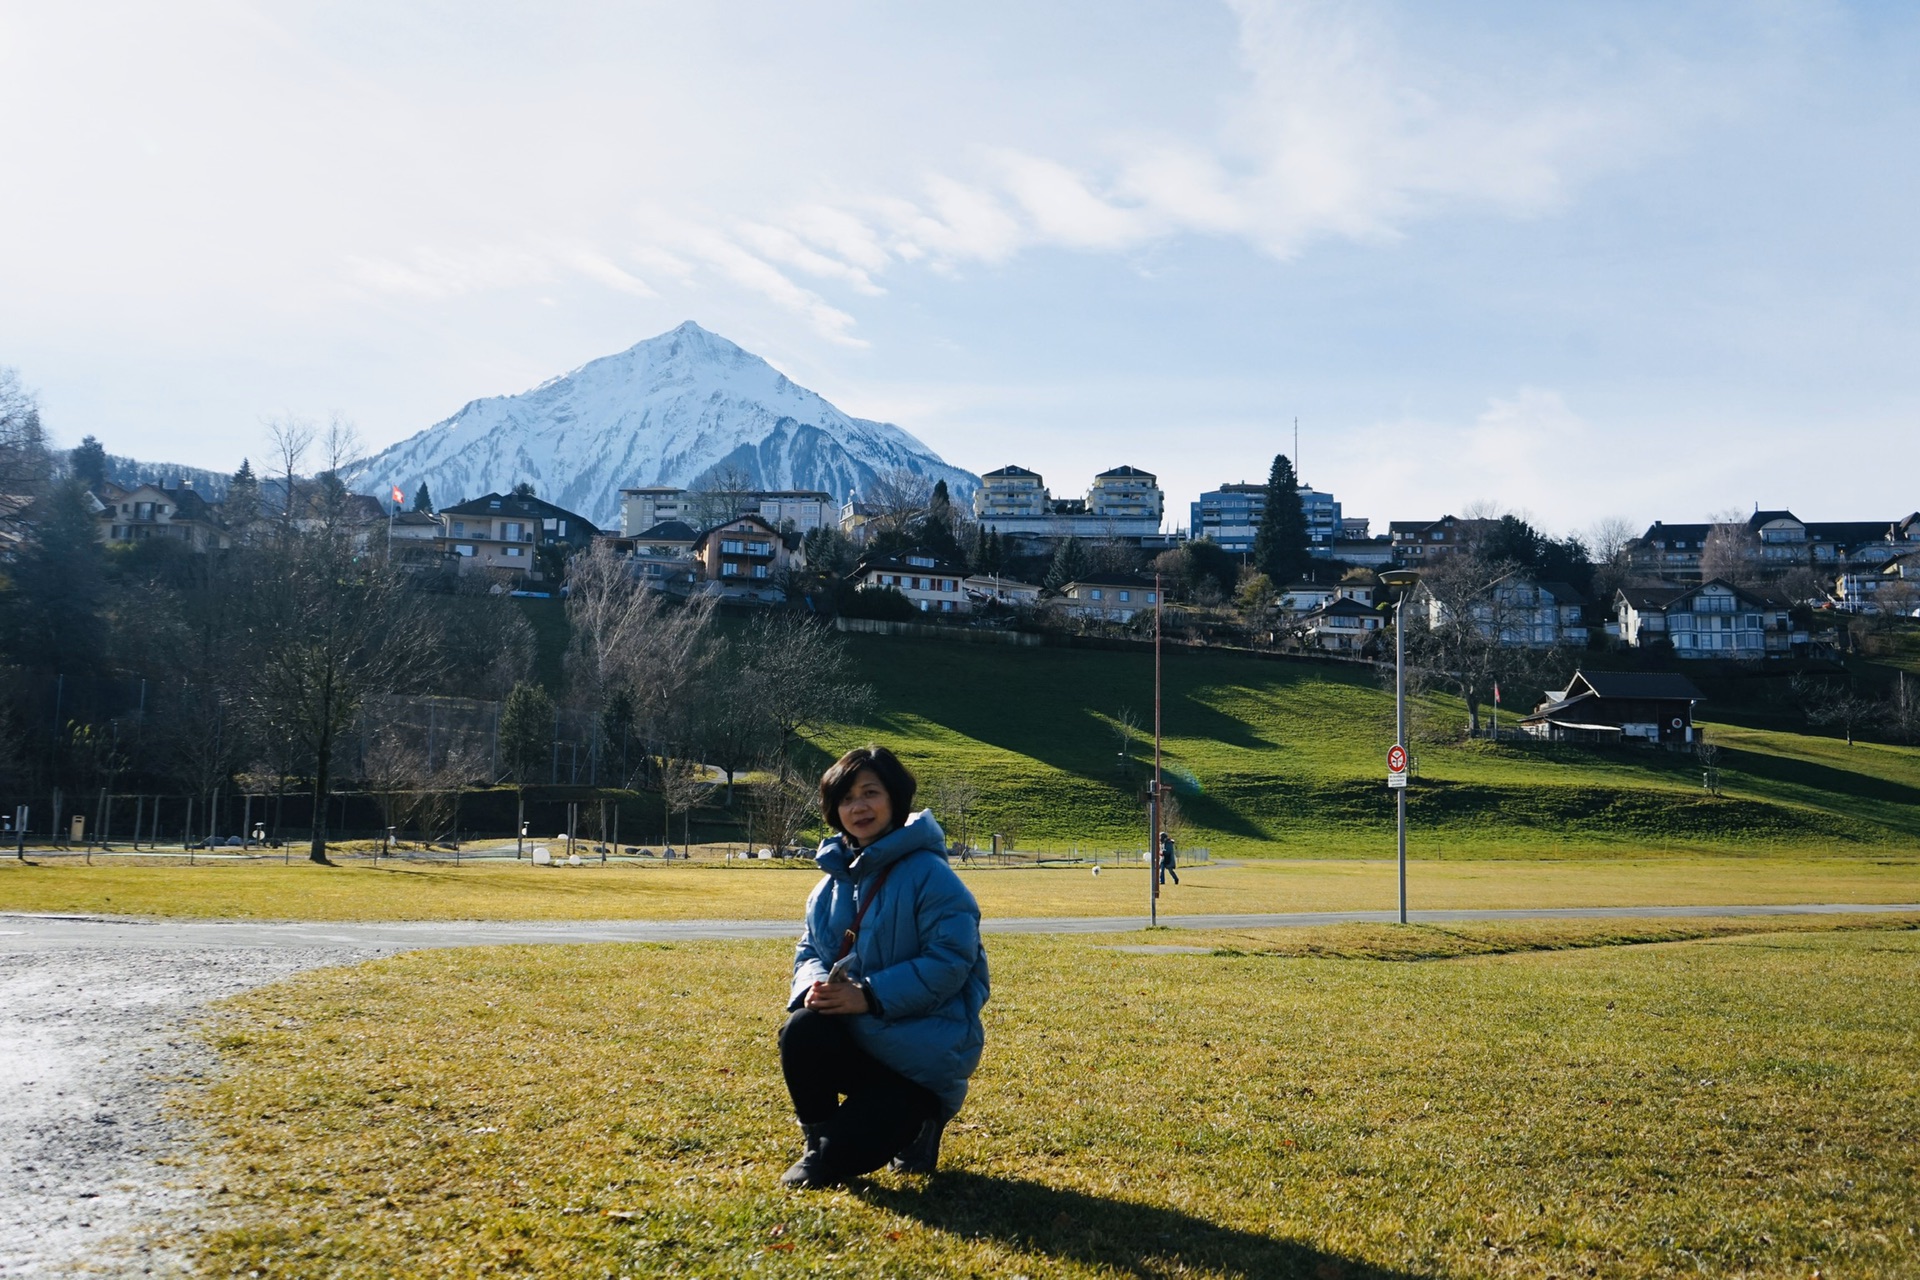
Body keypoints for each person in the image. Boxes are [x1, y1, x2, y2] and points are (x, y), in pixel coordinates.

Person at [778, 745, 990, 1189]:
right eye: (846, 797)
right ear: (834, 810)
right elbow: (808, 950)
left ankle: (918, 1127)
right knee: (801, 1028)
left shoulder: (932, 876)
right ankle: (817, 1143)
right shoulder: (826, 888)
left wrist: (868, 995)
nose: (859, 806)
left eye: (870, 792)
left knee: (844, 1155)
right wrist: (816, 986)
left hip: (916, 1064)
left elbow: (951, 962)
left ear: (894, 800)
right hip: (858, 1047)